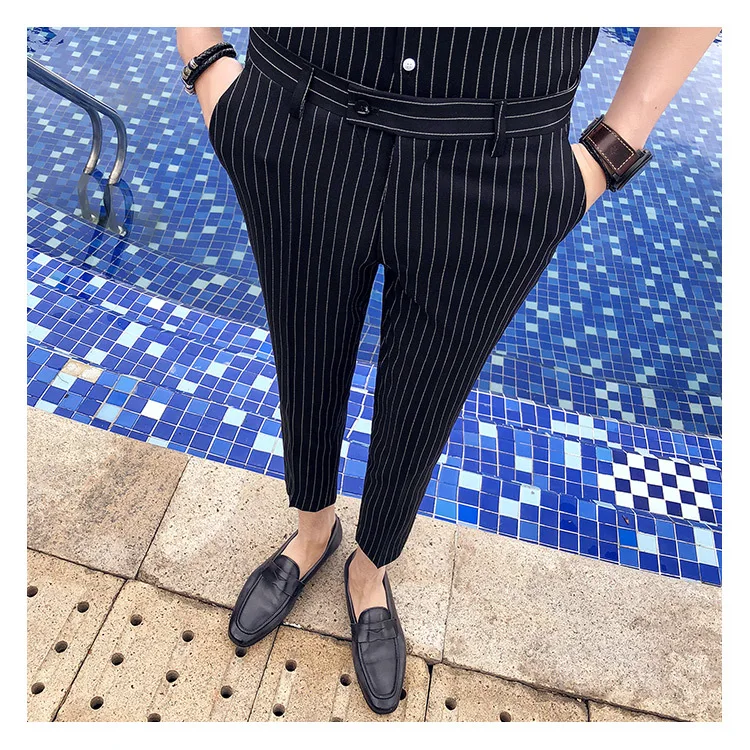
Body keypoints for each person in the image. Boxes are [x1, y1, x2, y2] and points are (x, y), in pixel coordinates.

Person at [176, 26, 720, 715]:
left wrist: (612, 149)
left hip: (499, 161)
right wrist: (204, 58)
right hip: (300, 119)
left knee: (428, 398)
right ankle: (313, 533)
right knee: (302, 357)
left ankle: (370, 570)